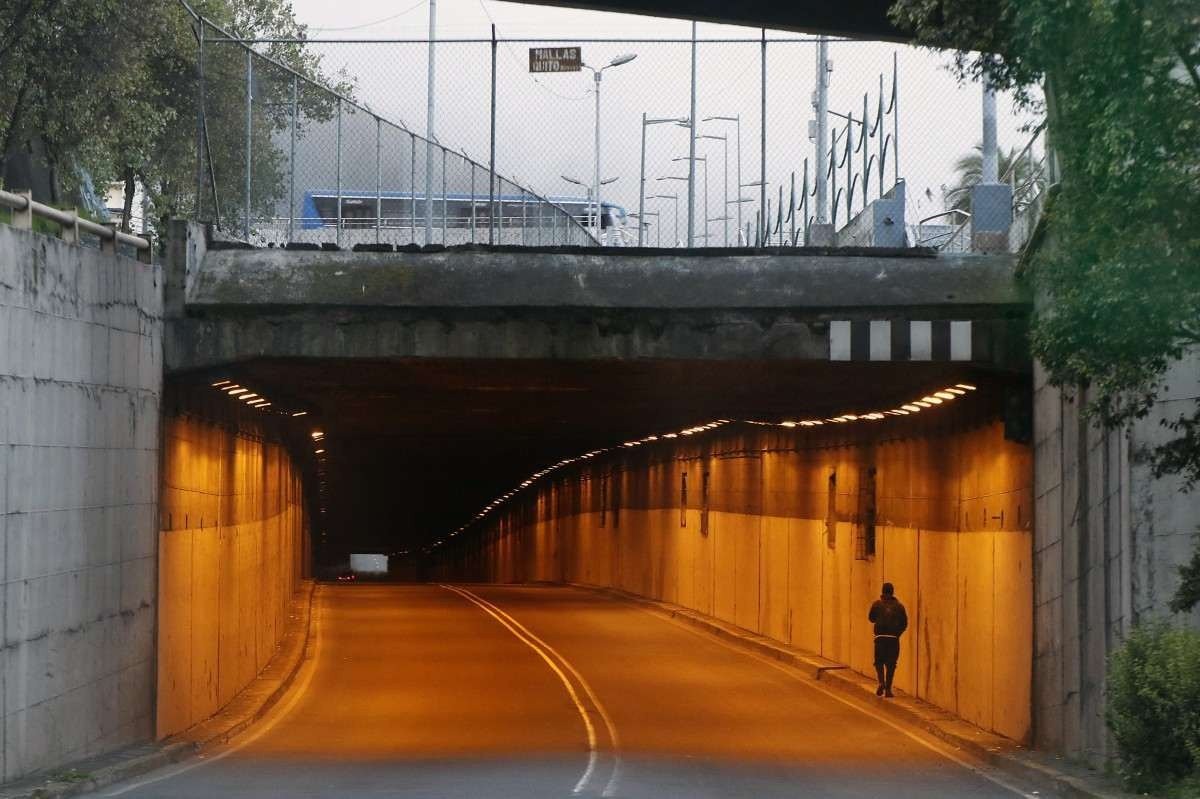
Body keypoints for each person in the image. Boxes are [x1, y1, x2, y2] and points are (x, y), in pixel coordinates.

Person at [868, 582, 908, 698]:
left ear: (882, 591)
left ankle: (881, 682)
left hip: (880, 638)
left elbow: (871, 618)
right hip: (893, 639)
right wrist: (897, 634)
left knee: (879, 662)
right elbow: (904, 623)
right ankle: (888, 690)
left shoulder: (877, 604)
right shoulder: (899, 606)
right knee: (891, 664)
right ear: (892, 592)